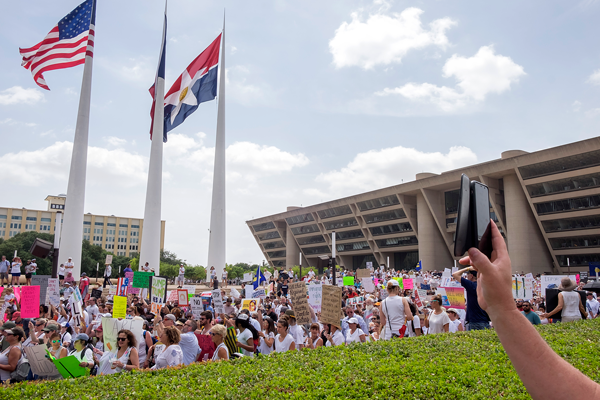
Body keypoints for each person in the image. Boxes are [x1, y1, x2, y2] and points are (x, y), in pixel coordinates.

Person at [459, 220, 600, 398]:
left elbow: (560, 307)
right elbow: (581, 308)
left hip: (565, 318)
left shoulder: (562, 295)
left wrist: (545, 314)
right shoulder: (578, 295)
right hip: (577, 320)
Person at [453, 266, 490, 330]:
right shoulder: (484, 285)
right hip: (485, 320)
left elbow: (455, 274)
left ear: (471, 276)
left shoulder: (471, 285)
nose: (467, 276)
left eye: (468, 274)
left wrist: (467, 268)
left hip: (475, 321)